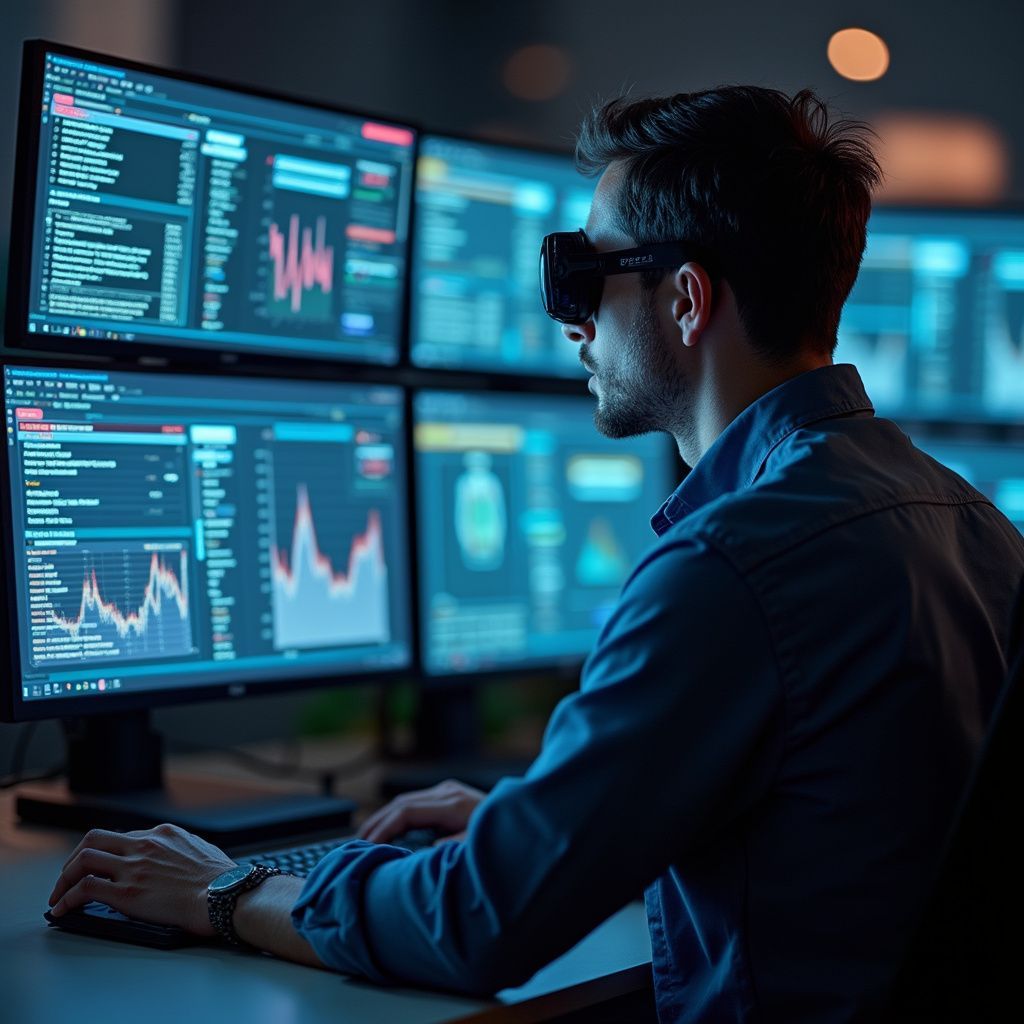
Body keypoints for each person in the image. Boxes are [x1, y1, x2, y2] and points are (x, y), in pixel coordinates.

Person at [47, 87, 1024, 1022]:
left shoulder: (729, 566)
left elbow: (478, 925)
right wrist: (557, 828)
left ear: (686, 299)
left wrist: (227, 890)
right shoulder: (975, 525)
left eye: (585, 273)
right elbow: (836, 841)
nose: (571, 318)